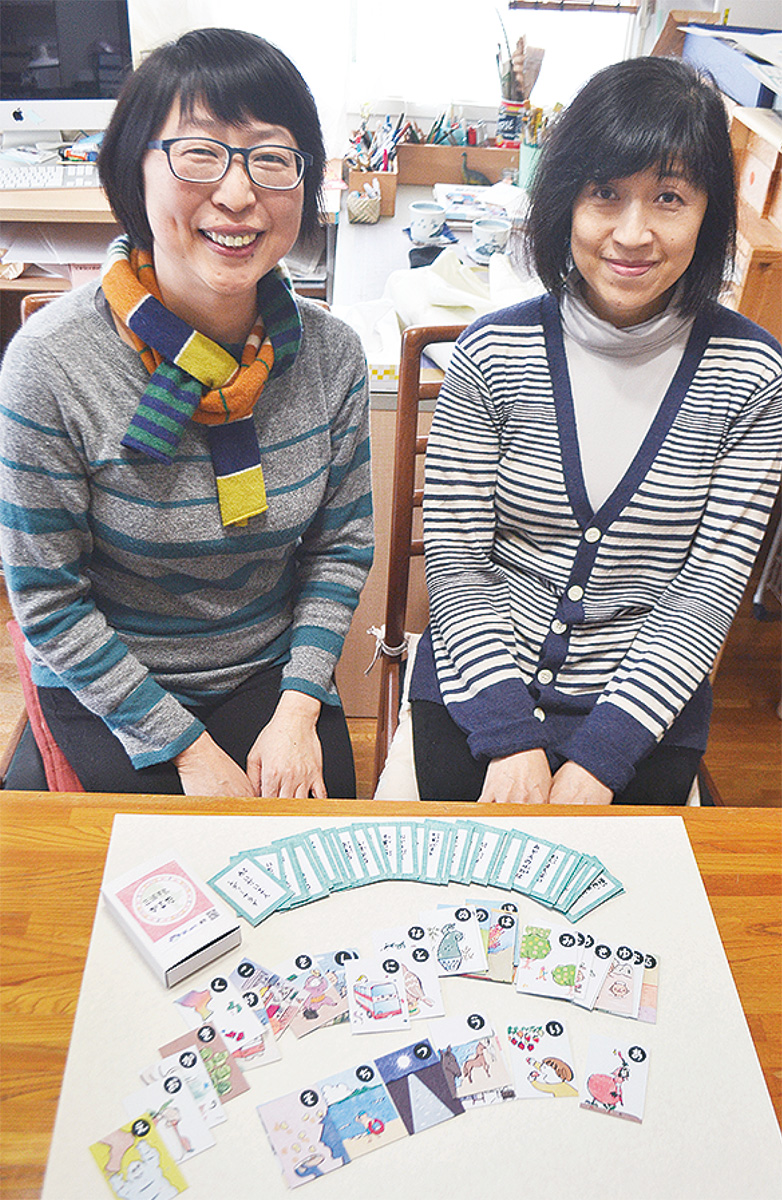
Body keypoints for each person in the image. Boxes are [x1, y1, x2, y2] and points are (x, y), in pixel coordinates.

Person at [0, 28, 373, 797]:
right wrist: (188, 754)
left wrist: (299, 708)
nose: (237, 194)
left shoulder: (331, 355)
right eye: (198, 152)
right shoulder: (51, 364)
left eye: (271, 157)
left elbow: (338, 549)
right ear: (131, 169)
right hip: (109, 678)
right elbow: (47, 596)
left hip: (269, 672)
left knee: (320, 855)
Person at [409, 56, 781, 805]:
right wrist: (510, 737)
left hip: (646, 710)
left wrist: (601, 759)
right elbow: (457, 565)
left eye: (669, 197)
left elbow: (706, 592)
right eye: (605, 193)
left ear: (708, 212)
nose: (632, 234)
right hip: (479, 685)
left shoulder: (752, 374)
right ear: (566, 200)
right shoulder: (492, 353)